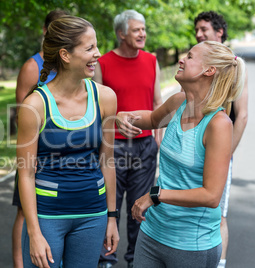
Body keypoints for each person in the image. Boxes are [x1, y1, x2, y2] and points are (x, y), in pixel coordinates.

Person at [117, 41, 245, 267]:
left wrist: (155, 195)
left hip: (191, 244)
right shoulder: (179, 101)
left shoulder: (218, 124)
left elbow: (211, 196)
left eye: (191, 56)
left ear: (209, 70)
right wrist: (123, 116)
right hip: (152, 232)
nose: (181, 59)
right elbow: (152, 119)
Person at [17, 15, 119, 268]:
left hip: (92, 216)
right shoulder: (35, 104)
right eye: (89, 48)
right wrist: (34, 232)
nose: (98, 54)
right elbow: (26, 173)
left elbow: (108, 161)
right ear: (65, 55)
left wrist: (112, 217)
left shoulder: (106, 97)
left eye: (96, 46)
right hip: (47, 217)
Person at [93, 9, 163, 268]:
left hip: (145, 146)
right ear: (121, 34)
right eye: (136, 30)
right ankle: (106, 259)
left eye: (143, 29)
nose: (142, 34)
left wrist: (157, 139)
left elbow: (157, 104)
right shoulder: (103, 63)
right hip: (113, 146)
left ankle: (136, 259)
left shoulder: (151, 61)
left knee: (139, 206)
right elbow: (97, 107)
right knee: (109, 204)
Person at [12, 9, 69, 268]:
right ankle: (20, 263)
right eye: (56, 28)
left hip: (68, 153)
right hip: (37, 152)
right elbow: (22, 113)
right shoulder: (32, 66)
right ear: (46, 32)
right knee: (26, 211)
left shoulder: (75, 65)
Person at [194, 11, 249, 268]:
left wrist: (225, 155)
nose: (198, 34)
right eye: (196, 30)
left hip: (220, 152)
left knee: (219, 215)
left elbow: (243, 116)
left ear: (219, 32)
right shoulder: (198, 61)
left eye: (203, 29)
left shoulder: (235, 64)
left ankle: (220, 264)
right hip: (193, 150)